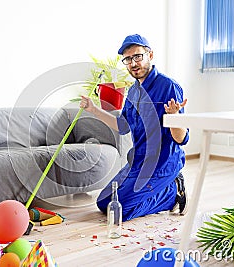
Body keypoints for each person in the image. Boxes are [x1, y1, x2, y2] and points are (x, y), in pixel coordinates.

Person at [80, 34, 189, 221]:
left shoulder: (168, 86)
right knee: (104, 202)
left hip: (162, 164)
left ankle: (172, 193)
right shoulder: (133, 91)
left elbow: (182, 139)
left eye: (137, 56)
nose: (133, 63)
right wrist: (94, 109)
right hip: (138, 162)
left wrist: (174, 117)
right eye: (128, 59)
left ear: (150, 55)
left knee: (119, 212)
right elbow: (122, 126)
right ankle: (163, 191)